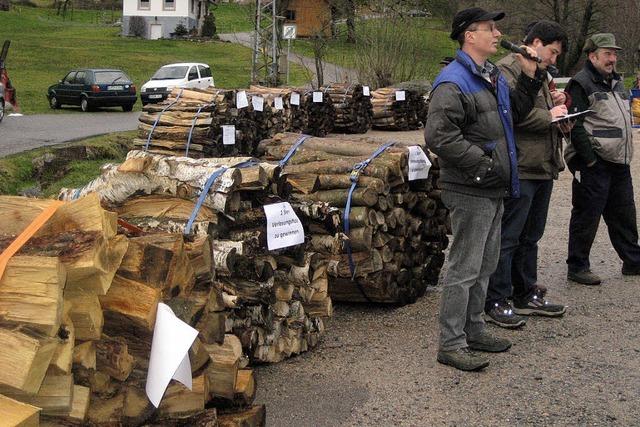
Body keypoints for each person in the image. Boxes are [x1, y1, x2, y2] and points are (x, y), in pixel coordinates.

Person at [425, 7, 544, 371]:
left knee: (486, 263)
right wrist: (485, 166)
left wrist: (529, 78)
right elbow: (439, 136)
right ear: (468, 35)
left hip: (491, 187)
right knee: (464, 267)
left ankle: (474, 329)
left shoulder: (488, 75)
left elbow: (514, 115)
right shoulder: (453, 81)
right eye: (489, 28)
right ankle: (451, 343)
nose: (497, 34)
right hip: (470, 187)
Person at [484, 21, 570, 329]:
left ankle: (525, 292)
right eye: (553, 52)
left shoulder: (541, 72)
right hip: (521, 167)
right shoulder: (509, 69)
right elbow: (510, 115)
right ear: (535, 42)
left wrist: (558, 107)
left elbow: (537, 111)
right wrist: (549, 115)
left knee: (531, 236)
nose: (554, 60)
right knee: (509, 237)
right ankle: (497, 298)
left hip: (543, 166)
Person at [564, 33, 640, 285]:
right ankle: (577, 266)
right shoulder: (580, 83)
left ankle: (633, 261)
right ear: (592, 55)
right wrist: (590, 161)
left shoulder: (616, 82)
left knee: (624, 214)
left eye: (614, 54)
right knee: (587, 215)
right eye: (608, 53)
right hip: (595, 162)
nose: (613, 58)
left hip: (619, 161)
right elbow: (573, 126)